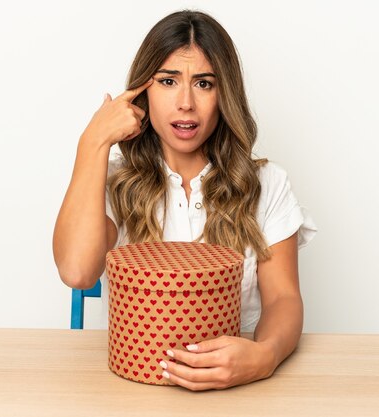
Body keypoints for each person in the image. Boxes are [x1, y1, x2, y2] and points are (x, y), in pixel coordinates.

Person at [52, 9, 317, 391]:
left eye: (204, 83)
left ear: (225, 93)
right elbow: (77, 272)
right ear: (143, 91)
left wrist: (265, 356)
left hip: (238, 390)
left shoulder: (267, 183)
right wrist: (92, 140)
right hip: (133, 388)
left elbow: (284, 299)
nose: (186, 103)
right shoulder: (111, 179)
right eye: (168, 81)